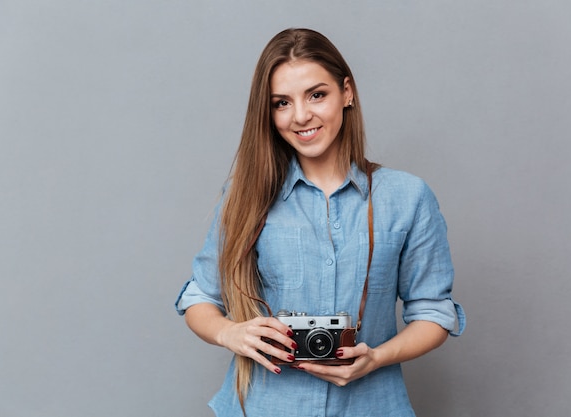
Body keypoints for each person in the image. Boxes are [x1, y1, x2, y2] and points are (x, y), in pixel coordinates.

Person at [175, 28, 465, 417]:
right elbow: (199, 298)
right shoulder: (245, 197)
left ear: (347, 92)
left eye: (317, 94)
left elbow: (433, 312)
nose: (300, 116)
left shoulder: (407, 197)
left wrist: (375, 358)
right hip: (263, 406)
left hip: (372, 405)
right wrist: (231, 332)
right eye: (281, 102)